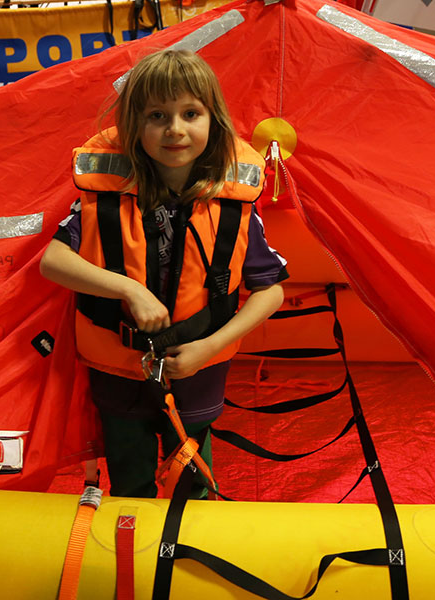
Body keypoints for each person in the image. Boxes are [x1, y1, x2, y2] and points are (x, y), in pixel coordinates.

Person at [40, 49, 288, 499]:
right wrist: (129, 289)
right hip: (118, 367)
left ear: (213, 121)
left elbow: (270, 290)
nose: (174, 129)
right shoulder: (103, 199)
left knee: (194, 480)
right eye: (157, 115)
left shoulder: (235, 206)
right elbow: (53, 261)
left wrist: (209, 346)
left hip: (199, 367)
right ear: (135, 126)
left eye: (190, 113)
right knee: (129, 478)